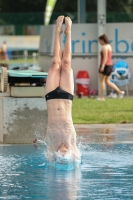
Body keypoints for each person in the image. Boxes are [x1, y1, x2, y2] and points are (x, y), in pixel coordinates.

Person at [45, 16, 80, 165]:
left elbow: (48, 160)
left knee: (55, 64)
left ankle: (58, 31)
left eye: (62, 155)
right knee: (65, 64)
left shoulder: (52, 145)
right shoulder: (71, 141)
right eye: (67, 154)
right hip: (66, 97)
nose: (64, 152)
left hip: (51, 97)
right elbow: (77, 159)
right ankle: (69, 32)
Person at [98, 34, 125, 100]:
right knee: (107, 81)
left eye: (99, 41)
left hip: (105, 65)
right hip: (110, 66)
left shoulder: (104, 47)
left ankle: (102, 97)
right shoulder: (109, 46)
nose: (99, 42)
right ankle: (120, 92)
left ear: (102, 40)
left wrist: (102, 66)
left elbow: (105, 57)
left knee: (102, 82)